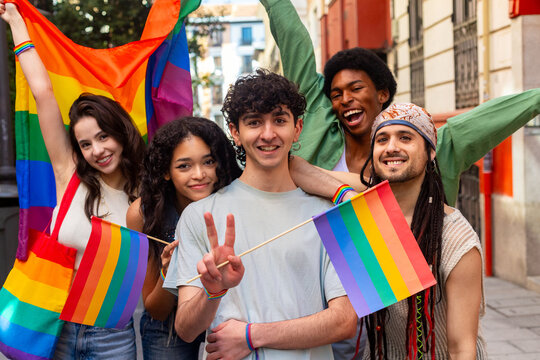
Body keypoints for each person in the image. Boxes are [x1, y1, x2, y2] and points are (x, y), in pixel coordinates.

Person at [259, 0, 540, 206]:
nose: (346, 99)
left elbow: (479, 123)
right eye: (336, 94)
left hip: (401, 279)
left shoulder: (422, 150)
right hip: (320, 278)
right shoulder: (318, 123)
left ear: (382, 94)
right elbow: (294, 40)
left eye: (356, 88)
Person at [169, 69, 357, 359]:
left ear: (297, 128)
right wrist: (213, 292)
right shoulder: (199, 216)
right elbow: (186, 329)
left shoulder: (330, 215)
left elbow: (344, 321)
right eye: (254, 122)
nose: (268, 134)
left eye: (279, 120)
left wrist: (251, 335)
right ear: (235, 131)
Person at [1, 2, 145, 358]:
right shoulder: (69, 176)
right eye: (85, 143)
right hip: (54, 328)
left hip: (113, 338)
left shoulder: (148, 192)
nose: (97, 150)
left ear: (121, 133)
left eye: (103, 136)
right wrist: (16, 22)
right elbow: (43, 93)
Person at [361, 103, 485, 359]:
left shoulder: (455, 238)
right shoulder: (366, 221)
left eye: (405, 137)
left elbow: (462, 348)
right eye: (382, 139)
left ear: (430, 152)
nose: (391, 147)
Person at [126, 117, 242, 359]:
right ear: (166, 172)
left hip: (229, 315)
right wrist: (167, 274)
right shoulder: (143, 214)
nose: (199, 174)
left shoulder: (237, 201)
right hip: (167, 328)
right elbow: (155, 309)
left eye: (208, 162)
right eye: (184, 166)